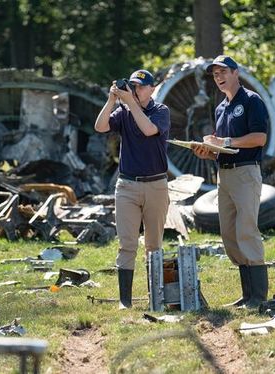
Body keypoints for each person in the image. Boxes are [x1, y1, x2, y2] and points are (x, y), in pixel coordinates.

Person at [191, 55, 269, 309]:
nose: (219, 77)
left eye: (223, 72)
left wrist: (223, 142)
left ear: (236, 73)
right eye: (215, 74)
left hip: (246, 172)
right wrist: (208, 150)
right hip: (223, 174)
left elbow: (259, 138)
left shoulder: (251, 101)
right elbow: (223, 148)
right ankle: (247, 294)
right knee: (229, 235)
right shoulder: (220, 107)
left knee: (246, 230)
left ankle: (258, 297)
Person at [94, 69, 171, 309]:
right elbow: (100, 126)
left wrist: (129, 103)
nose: (135, 90)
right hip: (127, 185)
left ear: (151, 89)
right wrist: (111, 100)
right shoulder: (124, 111)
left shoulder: (161, 111)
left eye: (140, 86)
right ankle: (124, 301)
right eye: (133, 86)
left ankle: (154, 298)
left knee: (153, 245)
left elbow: (149, 130)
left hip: (156, 185)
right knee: (127, 244)